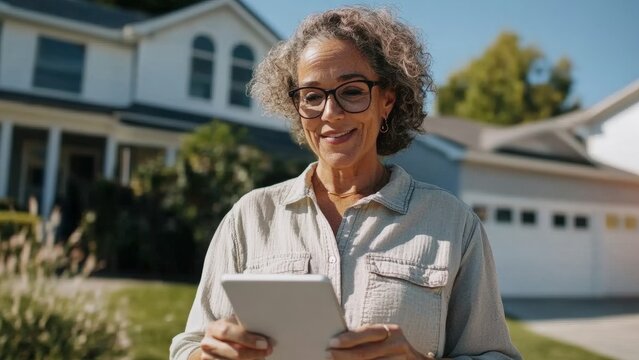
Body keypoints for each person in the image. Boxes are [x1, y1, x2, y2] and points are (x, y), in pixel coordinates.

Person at [171, 6, 521, 360]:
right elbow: (188, 346)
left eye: (352, 92)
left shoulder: (453, 224)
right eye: (311, 95)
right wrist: (207, 354)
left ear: (387, 100)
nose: (330, 113)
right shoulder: (250, 217)